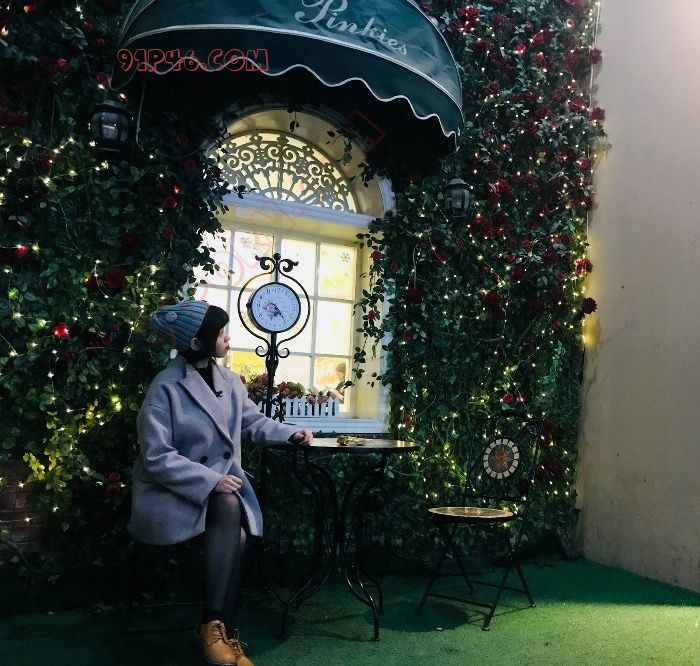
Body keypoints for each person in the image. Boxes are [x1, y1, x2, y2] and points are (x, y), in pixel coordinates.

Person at [128, 300, 313, 666]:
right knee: (231, 508)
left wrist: (289, 433)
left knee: (235, 524)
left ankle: (216, 630)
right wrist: (211, 480)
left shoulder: (229, 381)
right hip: (172, 494)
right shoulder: (164, 387)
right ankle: (216, 626)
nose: (228, 339)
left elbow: (253, 423)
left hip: (217, 492)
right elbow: (156, 456)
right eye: (221, 333)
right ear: (197, 343)